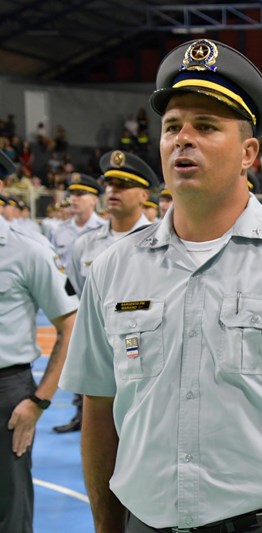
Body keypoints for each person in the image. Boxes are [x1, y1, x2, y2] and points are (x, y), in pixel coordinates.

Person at [59, 39, 262, 533]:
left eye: (206, 127)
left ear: (248, 153)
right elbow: (99, 407)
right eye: (172, 127)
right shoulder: (113, 267)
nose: (181, 139)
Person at [52, 152, 157, 435]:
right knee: (98, 433)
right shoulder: (84, 245)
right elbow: (81, 295)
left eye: (123, 185)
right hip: (100, 348)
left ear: (144, 194)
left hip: (146, 353)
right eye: (110, 184)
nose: (113, 191)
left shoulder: (161, 243)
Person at [0, 151, 78, 533]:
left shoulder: (27, 250)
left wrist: (40, 400)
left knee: (10, 513)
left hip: (7, 392)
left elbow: (70, 323)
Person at [48, 173, 105, 268]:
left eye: (79, 194)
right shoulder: (59, 230)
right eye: (71, 194)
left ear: (94, 200)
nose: (73, 198)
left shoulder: (104, 229)